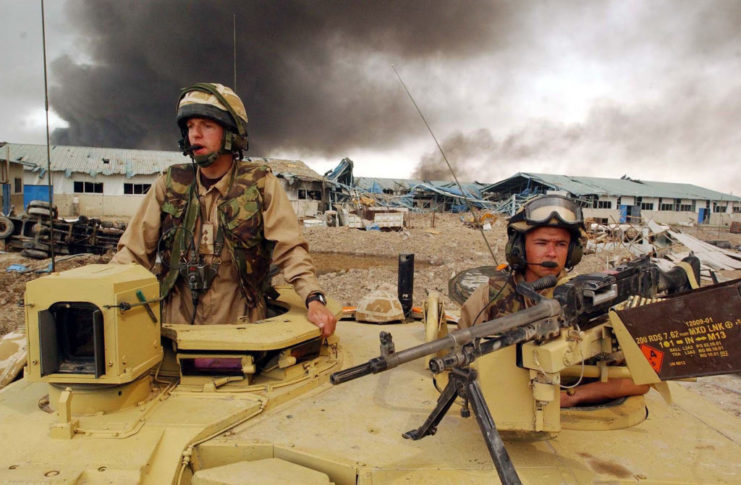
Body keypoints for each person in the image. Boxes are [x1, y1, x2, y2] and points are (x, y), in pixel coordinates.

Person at [111, 82, 337, 336]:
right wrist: (102, 292)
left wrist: (313, 297)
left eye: (206, 126)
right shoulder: (170, 183)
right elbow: (132, 252)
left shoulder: (260, 185)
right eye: (189, 127)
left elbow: (290, 248)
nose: (194, 135)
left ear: (232, 133)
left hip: (242, 331)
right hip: (175, 330)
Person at [458, 194, 649, 407]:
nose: (551, 253)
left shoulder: (590, 298)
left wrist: (570, 397)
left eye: (560, 244)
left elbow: (640, 381)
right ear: (519, 248)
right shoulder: (490, 295)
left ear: (572, 252)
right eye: (541, 243)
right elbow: (457, 359)